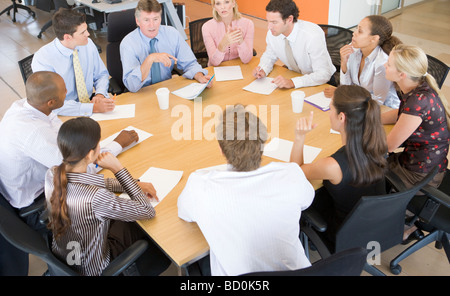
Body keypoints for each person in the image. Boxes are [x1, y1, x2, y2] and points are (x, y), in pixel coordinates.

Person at [0, 72, 137, 274]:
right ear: (51, 101)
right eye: (64, 90)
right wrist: (117, 145)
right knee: (127, 208)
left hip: (37, 184)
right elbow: (81, 168)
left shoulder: (26, 106)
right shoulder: (33, 133)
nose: (67, 91)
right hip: (38, 204)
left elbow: (61, 133)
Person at [177, 104, 315, 276]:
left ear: (221, 149)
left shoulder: (200, 186)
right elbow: (306, 200)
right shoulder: (291, 174)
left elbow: (184, 213)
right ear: (262, 144)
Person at [45, 117, 170, 276]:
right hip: (95, 268)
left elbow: (93, 184)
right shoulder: (96, 198)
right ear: (90, 155)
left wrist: (134, 183)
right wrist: (118, 168)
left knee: (124, 218)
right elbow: (147, 210)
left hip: (68, 259)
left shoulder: (52, 174)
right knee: (144, 226)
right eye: (99, 144)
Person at [290, 85, 387, 240]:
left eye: (330, 109)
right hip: (372, 223)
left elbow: (295, 173)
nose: (329, 114)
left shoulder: (333, 166)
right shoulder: (377, 141)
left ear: (342, 117)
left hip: (343, 232)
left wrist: (300, 137)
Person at [382, 44, 450, 189]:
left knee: (359, 168)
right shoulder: (417, 86)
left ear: (402, 75)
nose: (384, 65)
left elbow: (389, 146)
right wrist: (373, 118)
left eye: (388, 64)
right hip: (419, 163)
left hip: (418, 176)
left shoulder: (418, 100)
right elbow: (403, 113)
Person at [32, 8, 114, 117]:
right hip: (63, 112)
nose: (88, 34)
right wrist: (92, 108)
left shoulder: (88, 44)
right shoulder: (43, 59)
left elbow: (101, 74)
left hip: (89, 104)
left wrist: (100, 94)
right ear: (67, 37)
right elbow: (52, 104)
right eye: (83, 32)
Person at [120, 0, 213, 93]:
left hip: (166, 89)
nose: (152, 25)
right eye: (146, 20)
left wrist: (199, 76)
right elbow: (132, 86)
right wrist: (150, 59)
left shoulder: (172, 34)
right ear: (138, 21)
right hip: (141, 93)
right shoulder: (128, 44)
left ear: (161, 18)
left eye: (155, 19)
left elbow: (190, 63)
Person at [252, 0, 335, 89]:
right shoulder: (272, 34)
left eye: (274, 22)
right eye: (268, 21)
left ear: (289, 19)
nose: (269, 27)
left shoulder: (311, 36)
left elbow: (323, 74)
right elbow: (269, 56)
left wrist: (293, 82)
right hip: (295, 77)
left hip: (321, 83)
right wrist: (263, 69)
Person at [324, 15, 401, 108]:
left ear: (374, 39)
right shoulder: (353, 49)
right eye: (356, 29)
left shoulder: (382, 63)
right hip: (359, 104)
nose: (354, 33)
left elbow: (378, 101)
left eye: (360, 31)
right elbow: (346, 87)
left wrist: (344, 94)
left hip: (383, 110)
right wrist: (344, 63)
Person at [201, 0, 254, 66]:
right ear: (214, 7)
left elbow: (246, 60)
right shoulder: (207, 27)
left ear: (233, 3)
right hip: (217, 70)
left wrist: (240, 40)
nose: (222, 7)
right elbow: (214, 62)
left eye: (226, 2)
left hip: (239, 68)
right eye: (218, 3)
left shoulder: (248, 24)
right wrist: (223, 44)